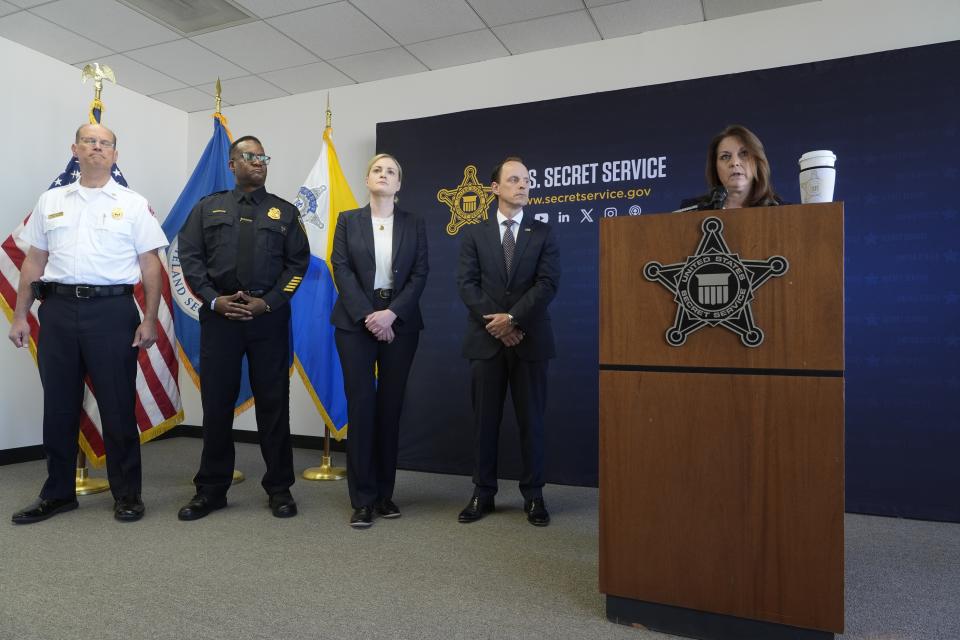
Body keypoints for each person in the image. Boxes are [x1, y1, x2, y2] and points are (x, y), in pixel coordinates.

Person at [9, 123, 167, 524]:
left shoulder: (133, 203)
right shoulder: (50, 200)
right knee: (58, 408)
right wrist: (21, 313)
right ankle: (58, 493)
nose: (97, 148)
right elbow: (34, 261)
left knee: (116, 408)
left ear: (115, 154)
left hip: (112, 313)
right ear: (74, 149)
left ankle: (127, 494)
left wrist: (149, 319)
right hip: (58, 312)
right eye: (89, 141)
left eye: (105, 143)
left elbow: (150, 264)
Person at [176, 135, 309, 520]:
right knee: (216, 405)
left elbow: (297, 264)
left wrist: (268, 302)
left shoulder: (284, 212)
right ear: (232, 165)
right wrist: (214, 300)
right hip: (221, 319)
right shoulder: (207, 208)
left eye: (263, 156)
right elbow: (190, 257)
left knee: (274, 404)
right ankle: (212, 489)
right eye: (249, 156)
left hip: (267, 319)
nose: (258, 161)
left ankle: (280, 488)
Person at [455, 156, 560, 527]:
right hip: (486, 342)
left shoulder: (543, 232)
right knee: (485, 422)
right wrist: (497, 324)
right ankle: (482, 493)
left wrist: (513, 320)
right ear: (495, 188)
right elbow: (467, 285)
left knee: (532, 421)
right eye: (514, 180)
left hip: (530, 340)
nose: (523, 185)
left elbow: (547, 284)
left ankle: (534, 496)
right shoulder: (473, 234)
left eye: (527, 180)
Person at [330, 153, 429, 529]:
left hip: (399, 322)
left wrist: (391, 314)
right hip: (356, 322)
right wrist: (368, 316)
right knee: (361, 409)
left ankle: (385, 495)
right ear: (367, 179)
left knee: (389, 409)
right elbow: (340, 267)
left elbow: (420, 273)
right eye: (377, 170)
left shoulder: (413, 223)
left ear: (399, 184)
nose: (383, 175)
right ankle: (362, 499)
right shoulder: (347, 221)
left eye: (391, 171)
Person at [686, 124, 783, 210]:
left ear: (758, 162)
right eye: (725, 156)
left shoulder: (782, 211)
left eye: (744, 153)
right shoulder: (692, 210)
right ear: (715, 167)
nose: (734, 162)